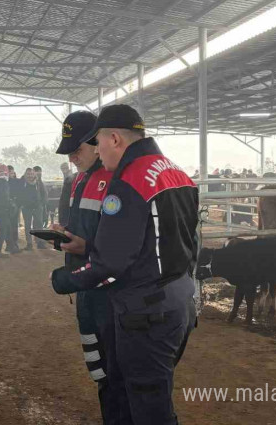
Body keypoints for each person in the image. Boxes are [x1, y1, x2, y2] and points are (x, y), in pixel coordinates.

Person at [51, 104, 199, 425]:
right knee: (154, 395)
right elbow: (183, 244)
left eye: (99, 142)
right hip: (180, 302)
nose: (99, 152)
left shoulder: (129, 180)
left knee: (148, 407)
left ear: (114, 138)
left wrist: (63, 279)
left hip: (145, 311)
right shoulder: (176, 171)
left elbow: (111, 261)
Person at [51, 110, 119, 421]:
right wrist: (64, 236)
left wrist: (86, 247)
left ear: (97, 142)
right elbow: (84, 227)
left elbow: (127, 244)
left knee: (118, 371)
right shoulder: (78, 180)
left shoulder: (118, 179)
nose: (73, 158)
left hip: (111, 292)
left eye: (76, 150)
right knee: (99, 368)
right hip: (85, 285)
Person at [0, 168, 20, 257]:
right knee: (4, 230)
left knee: (8, 228)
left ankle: (11, 247)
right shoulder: (2, 182)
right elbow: (3, 197)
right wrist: (8, 205)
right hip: (2, 210)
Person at [19, 168, 46, 250]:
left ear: (34, 174)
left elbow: (44, 193)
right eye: (28, 174)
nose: (30, 175)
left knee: (39, 225)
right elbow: (18, 193)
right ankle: (29, 244)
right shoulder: (22, 182)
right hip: (26, 208)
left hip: (38, 207)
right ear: (25, 174)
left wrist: (42, 203)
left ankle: (40, 242)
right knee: (27, 226)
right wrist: (22, 204)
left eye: (31, 174)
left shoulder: (38, 182)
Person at [6, 165, 23, 250]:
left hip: (15, 206)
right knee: (6, 227)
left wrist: (18, 204)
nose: (10, 174)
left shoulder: (17, 181)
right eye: (9, 172)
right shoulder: (3, 182)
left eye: (12, 172)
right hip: (5, 207)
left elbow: (21, 193)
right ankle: (8, 245)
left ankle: (15, 244)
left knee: (14, 225)